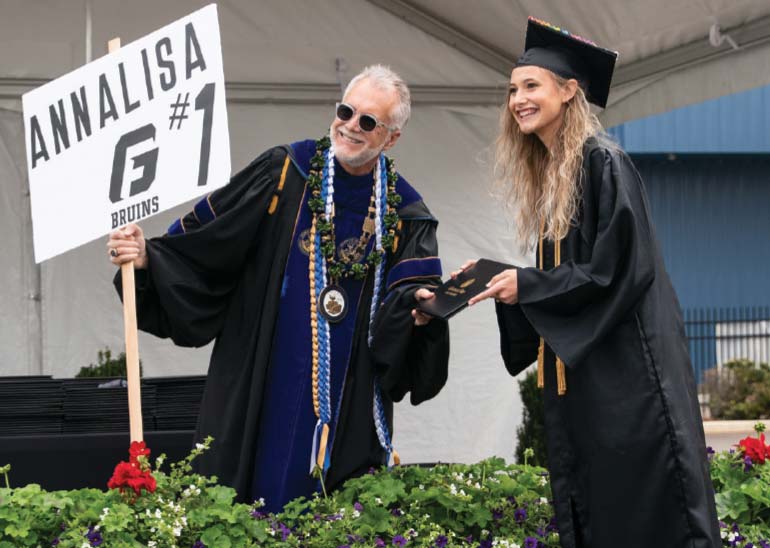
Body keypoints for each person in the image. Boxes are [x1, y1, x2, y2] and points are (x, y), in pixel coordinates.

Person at [107, 65, 449, 512]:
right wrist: (149, 256)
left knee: (339, 513)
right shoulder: (287, 171)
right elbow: (213, 239)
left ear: (392, 138)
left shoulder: (403, 209)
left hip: (352, 389)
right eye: (346, 111)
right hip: (266, 371)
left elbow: (415, 286)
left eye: (369, 121)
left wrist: (421, 308)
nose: (350, 125)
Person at [458, 17, 720, 548]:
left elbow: (614, 271)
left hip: (631, 377)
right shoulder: (559, 169)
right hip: (593, 377)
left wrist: (524, 285)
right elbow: (561, 278)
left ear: (569, 89)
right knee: (599, 504)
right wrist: (503, 281)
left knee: (644, 510)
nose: (518, 99)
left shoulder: (604, 162)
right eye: (513, 89)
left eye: (531, 86)